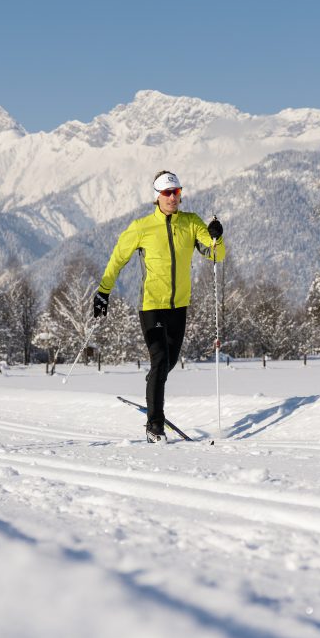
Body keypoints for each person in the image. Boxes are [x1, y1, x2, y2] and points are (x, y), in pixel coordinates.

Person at [93, 171, 225, 442]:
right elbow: (118, 259)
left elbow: (216, 255)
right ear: (157, 196)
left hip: (180, 306)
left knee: (167, 363)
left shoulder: (191, 222)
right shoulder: (141, 227)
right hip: (151, 305)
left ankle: (153, 387)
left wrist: (216, 236)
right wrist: (103, 291)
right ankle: (155, 425)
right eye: (167, 193)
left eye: (177, 192)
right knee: (161, 359)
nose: (173, 197)